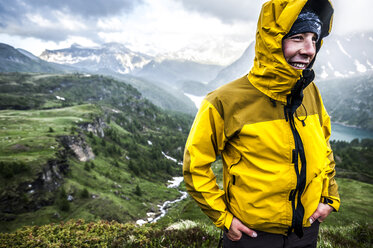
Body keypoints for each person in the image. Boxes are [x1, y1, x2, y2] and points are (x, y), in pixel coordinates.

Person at [183, 0, 340, 247]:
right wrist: (224, 218)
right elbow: (195, 166)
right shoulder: (224, 100)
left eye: (313, 39)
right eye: (297, 37)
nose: (309, 50)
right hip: (251, 237)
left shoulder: (311, 93)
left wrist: (329, 197)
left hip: (306, 232)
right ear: (272, 41)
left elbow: (324, 148)